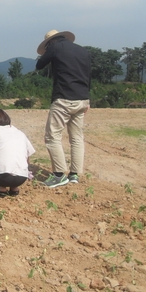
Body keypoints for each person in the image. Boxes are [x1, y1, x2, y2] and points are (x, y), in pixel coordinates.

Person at [36, 29, 91, 188]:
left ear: (50, 42)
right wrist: (88, 100)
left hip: (63, 99)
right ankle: (74, 174)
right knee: (76, 138)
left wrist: (48, 53)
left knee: (52, 136)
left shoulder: (55, 47)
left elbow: (40, 65)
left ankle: (59, 174)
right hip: (82, 99)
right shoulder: (83, 51)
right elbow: (88, 76)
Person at [0, 108, 35, 197]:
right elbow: (27, 160)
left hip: (3, 177)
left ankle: (1, 189)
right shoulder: (20, 133)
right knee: (15, 163)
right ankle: (14, 188)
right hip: (22, 177)